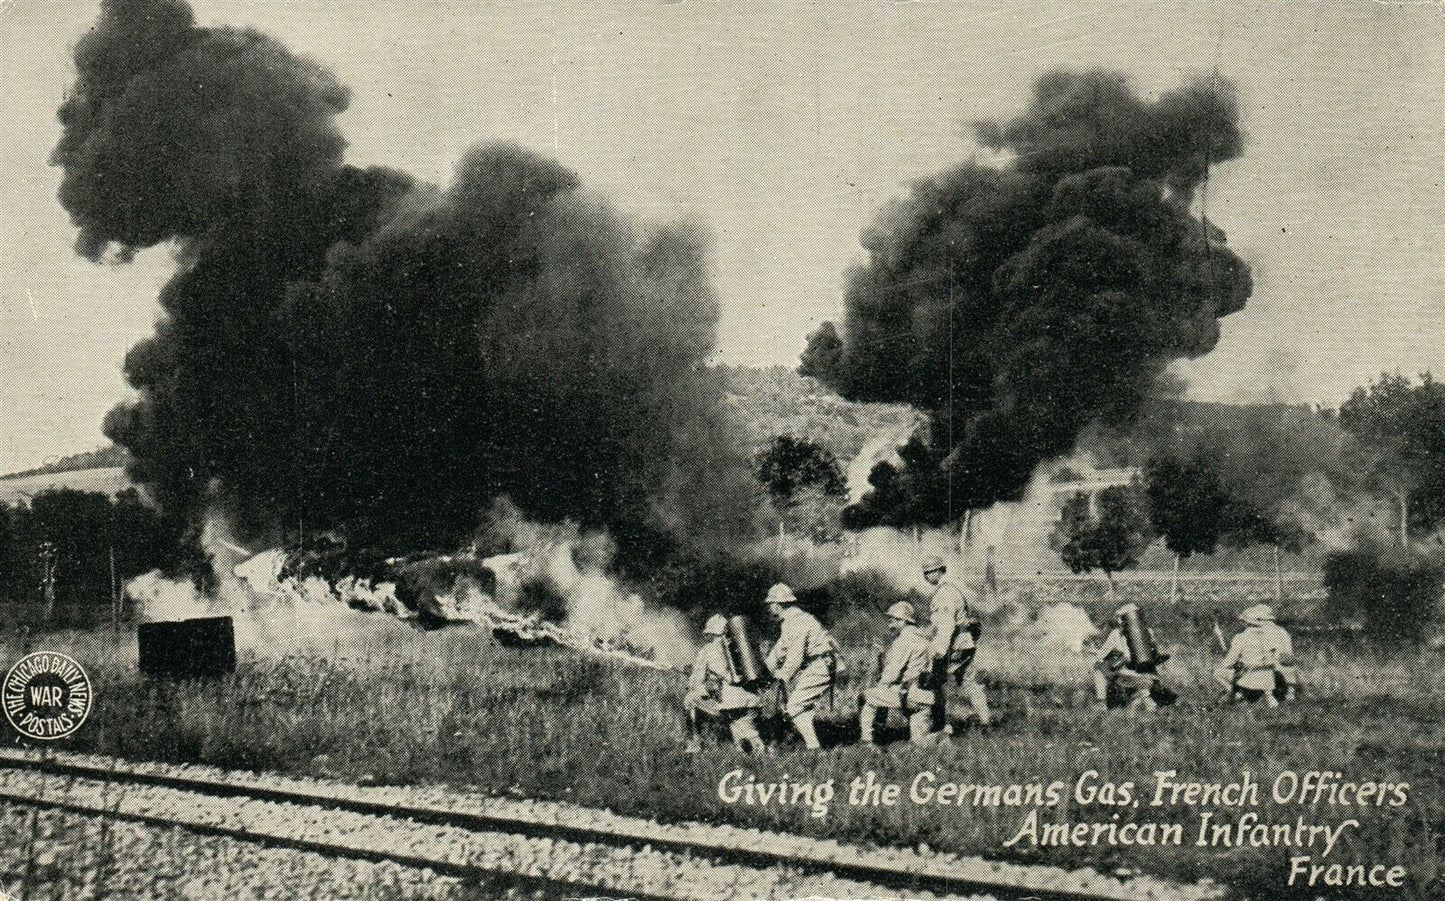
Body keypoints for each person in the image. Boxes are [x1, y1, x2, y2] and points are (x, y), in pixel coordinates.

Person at [764, 583, 838, 750]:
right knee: (799, 707)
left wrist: (782, 674)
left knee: (794, 706)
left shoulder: (797, 622)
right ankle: (813, 745)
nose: (769, 608)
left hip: (820, 666)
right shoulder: (790, 621)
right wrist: (765, 671)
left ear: (777, 605)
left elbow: (795, 656)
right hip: (816, 665)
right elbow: (780, 649)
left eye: (770, 604)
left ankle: (814, 747)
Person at [922, 556, 992, 730]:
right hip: (966, 642)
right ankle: (985, 720)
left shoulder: (944, 594)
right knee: (968, 681)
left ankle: (937, 725)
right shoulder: (957, 587)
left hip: (954, 644)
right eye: (925, 573)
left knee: (934, 683)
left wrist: (938, 650)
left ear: (940, 571)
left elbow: (946, 625)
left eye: (930, 572)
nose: (927, 576)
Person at [684, 614, 765, 754]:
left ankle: (695, 744)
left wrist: (695, 682)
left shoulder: (708, 650)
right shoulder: (741, 647)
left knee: (690, 700)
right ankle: (756, 758)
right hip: (754, 701)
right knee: (743, 734)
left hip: (731, 704)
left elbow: (695, 682)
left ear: (711, 633)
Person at [859, 601, 935, 745]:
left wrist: (879, 686)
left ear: (902, 620)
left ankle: (868, 742)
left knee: (867, 697)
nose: (890, 625)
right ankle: (942, 735)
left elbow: (891, 674)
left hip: (910, 696)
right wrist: (881, 657)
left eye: (892, 620)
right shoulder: (925, 639)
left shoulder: (903, 640)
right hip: (927, 698)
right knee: (920, 745)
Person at [1214, 603, 1300, 707]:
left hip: (1251, 676)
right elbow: (1286, 657)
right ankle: (1282, 695)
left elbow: (1228, 663)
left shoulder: (1241, 637)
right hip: (1272, 676)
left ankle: (1236, 695)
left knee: (1219, 672)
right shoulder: (1281, 632)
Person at [1093, 603, 1171, 711]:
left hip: (1128, 676)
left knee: (1098, 670)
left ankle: (1101, 703)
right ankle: (1145, 701)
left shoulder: (1116, 634)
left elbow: (1099, 657)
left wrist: (1109, 661)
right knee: (1141, 685)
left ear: (1123, 620)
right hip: (1149, 678)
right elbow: (1156, 656)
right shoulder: (1147, 632)